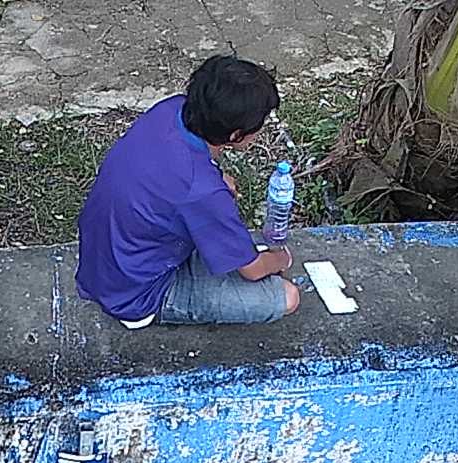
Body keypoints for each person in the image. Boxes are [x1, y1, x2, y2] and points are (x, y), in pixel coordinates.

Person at [75, 55, 301, 328]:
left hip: (108, 261)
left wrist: (216, 179)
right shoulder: (202, 191)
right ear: (236, 135)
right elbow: (252, 271)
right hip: (137, 294)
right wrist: (281, 259)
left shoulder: (170, 110)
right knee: (287, 296)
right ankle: (153, 309)